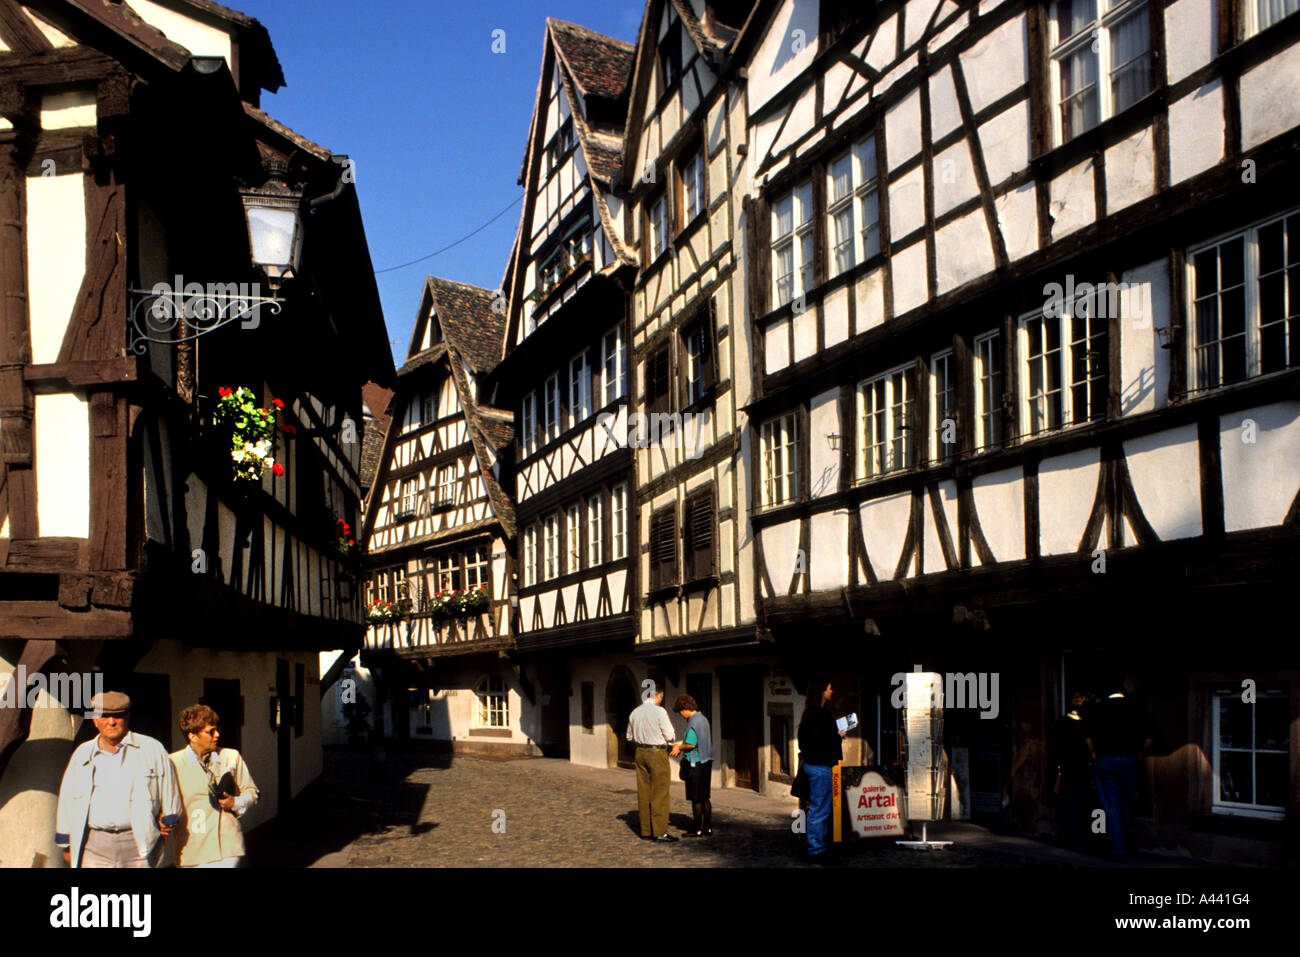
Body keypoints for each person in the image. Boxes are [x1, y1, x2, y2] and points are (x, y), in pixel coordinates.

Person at [55, 691, 183, 868]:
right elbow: (67, 800)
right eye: (104, 716)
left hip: (140, 845)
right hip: (94, 846)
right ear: (95, 720)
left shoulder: (151, 749)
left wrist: (168, 820)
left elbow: (170, 790)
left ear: (127, 717)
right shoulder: (82, 754)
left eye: (118, 716)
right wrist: (66, 843)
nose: (111, 722)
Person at [170, 704, 259, 867]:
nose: (217, 735)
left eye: (217, 729)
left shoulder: (230, 757)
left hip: (227, 849)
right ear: (193, 736)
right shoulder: (172, 763)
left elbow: (253, 793)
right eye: (210, 731)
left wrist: (235, 802)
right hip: (192, 851)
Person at [1084, 684, 1152, 860]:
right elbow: (1149, 738)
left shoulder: (1097, 709)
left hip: (1105, 758)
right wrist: (1139, 753)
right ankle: (1123, 844)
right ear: (1123, 693)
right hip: (1129, 759)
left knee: (1110, 804)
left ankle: (1118, 848)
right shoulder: (1136, 708)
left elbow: (1088, 739)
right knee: (1125, 803)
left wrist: (1094, 753)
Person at [796, 677, 846, 862]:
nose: (832, 691)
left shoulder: (808, 714)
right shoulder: (821, 714)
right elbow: (823, 742)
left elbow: (806, 741)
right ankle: (816, 849)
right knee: (820, 810)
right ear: (823, 691)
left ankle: (818, 846)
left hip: (811, 766)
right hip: (820, 767)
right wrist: (838, 736)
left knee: (819, 808)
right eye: (830, 688)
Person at [626, 680, 677, 841]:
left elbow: (629, 736)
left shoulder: (635, 712)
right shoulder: (659, 711)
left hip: (640, 752)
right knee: (660, 792)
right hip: (656, 753)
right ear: (658, 695)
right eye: (661, 696)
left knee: (644, 791)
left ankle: (646, 830)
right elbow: (670, 735)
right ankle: (660, 831)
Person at [1047, 692, 1093, 849]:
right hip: (1079, 767)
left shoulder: (1061, 722)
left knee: (1066, 802)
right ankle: (1074, 838)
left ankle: (1065, 837)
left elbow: (1053, 747)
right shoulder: (1085, 724)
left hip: (1065, 766)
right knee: (1076, 803)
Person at [670, 694, 712, 837]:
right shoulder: (703, 719)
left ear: (685, 709)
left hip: (695, 763)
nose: (681, 715)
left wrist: (678, 748)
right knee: (705, 797)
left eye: (681, 712)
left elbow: (691, 744)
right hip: (705, 761)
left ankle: (697, 828)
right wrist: (680, 742)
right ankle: (707, 827)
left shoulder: (693, 721)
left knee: (696, 798)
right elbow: (694, 738)